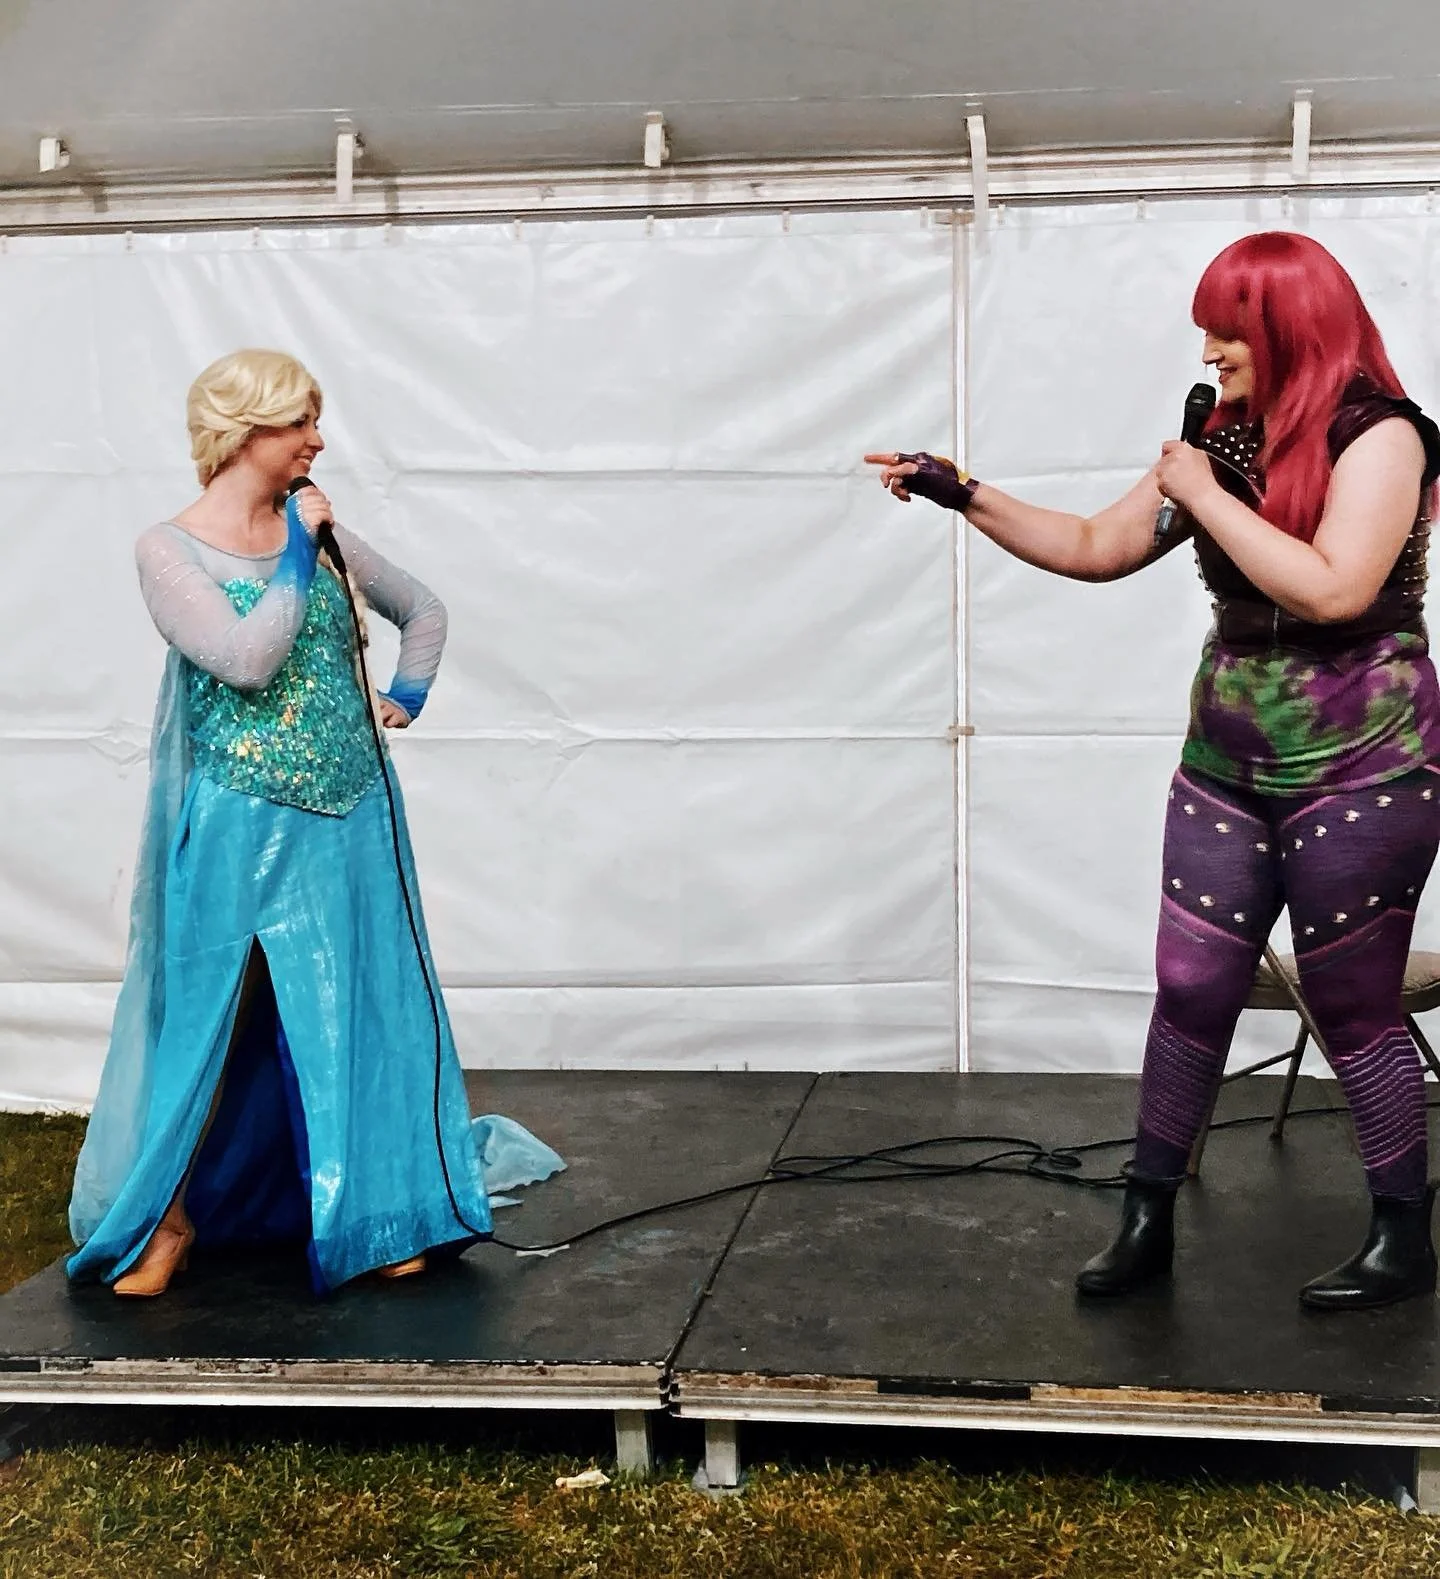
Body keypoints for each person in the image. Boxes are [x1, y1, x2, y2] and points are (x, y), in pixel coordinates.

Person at [867, 231, 1440, 1311]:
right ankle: (1147, 1217)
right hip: (1227, 760)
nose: (1212, 348)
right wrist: (961, 491)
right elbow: (1093, 545)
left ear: (1289, 326)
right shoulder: (1225, 440)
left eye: (1230, 328)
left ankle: (1404, 1235)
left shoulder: (1385, 437)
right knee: (1188, 988)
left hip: (1364, 768)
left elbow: (1334, 591)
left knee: (1350, 1001)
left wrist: (1208, 491)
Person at [68, 348, 562, 1297]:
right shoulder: (168, 550)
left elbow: (423, 609)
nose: (317, 440)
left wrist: (404, 697)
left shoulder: (323, 533)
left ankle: (382, 1213)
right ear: (248, 431)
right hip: (235, 820)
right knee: (209, 1017)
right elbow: (247, 659)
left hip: (350, 815)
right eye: (300, 422)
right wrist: (299, 548)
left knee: (356, 1013)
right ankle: (165, 1221)